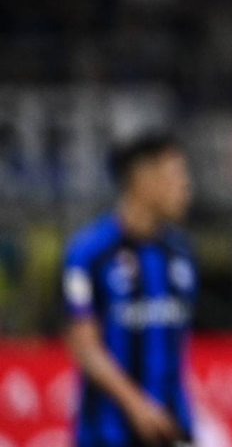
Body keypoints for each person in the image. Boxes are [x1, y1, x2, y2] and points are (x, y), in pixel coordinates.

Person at [63, 134, 196, 447]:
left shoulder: (180, 254)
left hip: (171, 428)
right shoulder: (88, 253)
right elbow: (85, 346)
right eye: (176, 174)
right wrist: (137, 406)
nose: (186, 186)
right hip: (106, 433)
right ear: (142, 179)